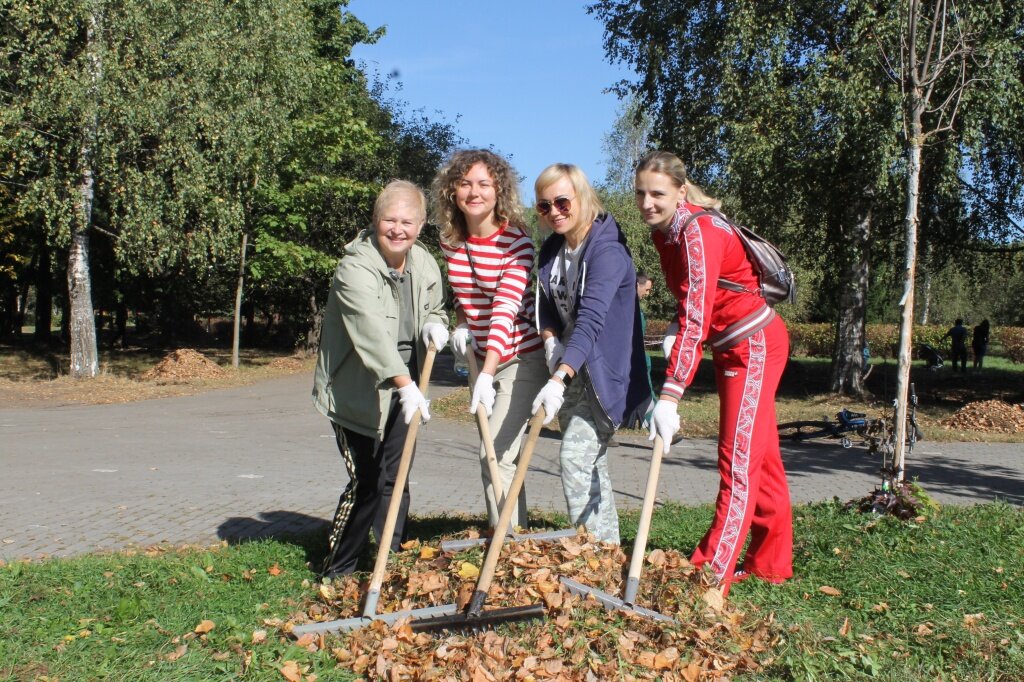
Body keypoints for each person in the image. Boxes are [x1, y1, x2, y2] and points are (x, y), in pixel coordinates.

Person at [635, 151, 792, 595]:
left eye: (658, 194)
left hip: (753, 345)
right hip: (733, 347)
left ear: (681, 191)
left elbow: (697, 318)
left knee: (737, 459)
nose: (647, 203)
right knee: (761, 457)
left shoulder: (699, 231)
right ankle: (770, 564)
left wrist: (670, 396)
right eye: (641, 194)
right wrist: (672, 327)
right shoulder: (666, 233)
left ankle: (709, 576)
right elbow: (691, 302)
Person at [312, 180, 449, 580]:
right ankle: (339, 569)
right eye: (390, 219)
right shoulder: (354, 266)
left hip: (407, 390)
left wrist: (436, 327)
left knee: (397, 475)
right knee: (367, 481)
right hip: (357, 391)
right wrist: (404, 384)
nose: (397, 229)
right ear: (376, 220)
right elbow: (369, 330)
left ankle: (390, 558)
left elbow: (436, 308)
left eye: (407, 221)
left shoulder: (423, 262)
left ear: (421, 224)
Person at [532, 163, 650, 545]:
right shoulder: (552, 249)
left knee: (575, 459)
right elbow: (546, 306)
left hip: (602, 375)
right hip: (569, 368)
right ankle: (606, 549)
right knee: (592, 463)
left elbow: (591, 320)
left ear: (583, 197)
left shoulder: (608, 252)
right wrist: (551, 341)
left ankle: (590, 554)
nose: (555, 212)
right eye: (544, 206)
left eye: (563, 201)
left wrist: (558, 377)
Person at [432, 149, 548, 530]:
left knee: (493, 454)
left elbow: (504, 309)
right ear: (452, 191)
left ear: (499, 191)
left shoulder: (516, 243)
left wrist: (488, 370)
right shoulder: (451, 242)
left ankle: (506, 546)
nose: (474, 191)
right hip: (480, 361)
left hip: (519, 359)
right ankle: (514, 536)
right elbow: (467, 297)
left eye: (484, 183)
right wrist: (461, 326)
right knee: (503, 457)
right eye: (465, 183)